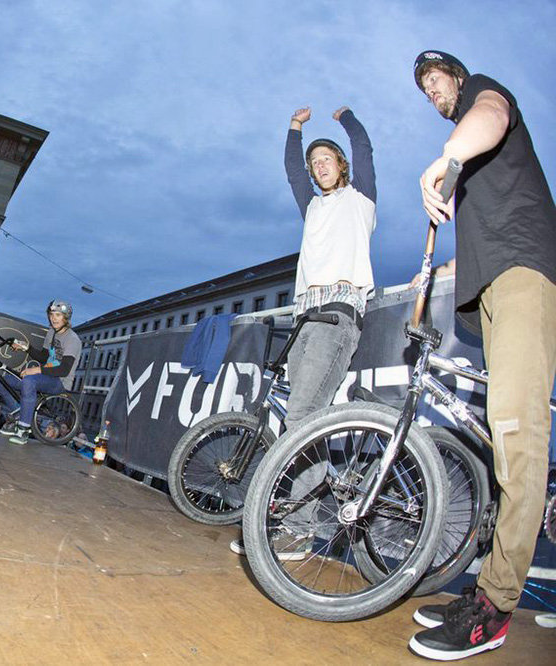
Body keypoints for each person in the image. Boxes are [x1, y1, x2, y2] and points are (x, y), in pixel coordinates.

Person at [407, 50, 556, 662]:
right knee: (503, 436)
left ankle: (493, 610)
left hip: (524, 278)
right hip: (498, 280)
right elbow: (484, 234)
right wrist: (441, 271)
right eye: (424, 90)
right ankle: (485, 587)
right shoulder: (475, 170)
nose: (432, 92)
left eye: (436, 79)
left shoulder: (482, 101)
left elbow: (492, 114)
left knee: (519, 436)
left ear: (459, 77)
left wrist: (446, 156)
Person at [230, 105, 377, 560]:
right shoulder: (311, 205)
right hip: (305, 321)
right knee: (304, 418)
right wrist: (295, 130)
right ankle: (306, 513)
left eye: (327, 160)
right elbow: (293, 170)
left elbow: (366, 151)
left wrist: (347, 120)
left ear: (342, 165)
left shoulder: (362, 201)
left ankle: (297, 531)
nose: (319, 167)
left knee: (301, 422)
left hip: (337, 319)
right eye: (315, 164)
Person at [0, 300, 81, 446]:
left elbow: (64, 369)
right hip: (46, 376)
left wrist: (37, 369)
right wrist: (26, 347)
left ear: (66, 318)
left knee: (30, 380)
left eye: (58, 315)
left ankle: (23, 429)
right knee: (3, 382)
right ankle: (19, 414)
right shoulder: (51, 333)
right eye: (51, 314)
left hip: (60, 381)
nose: (53, 318)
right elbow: (43, 356)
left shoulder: (72, 339)